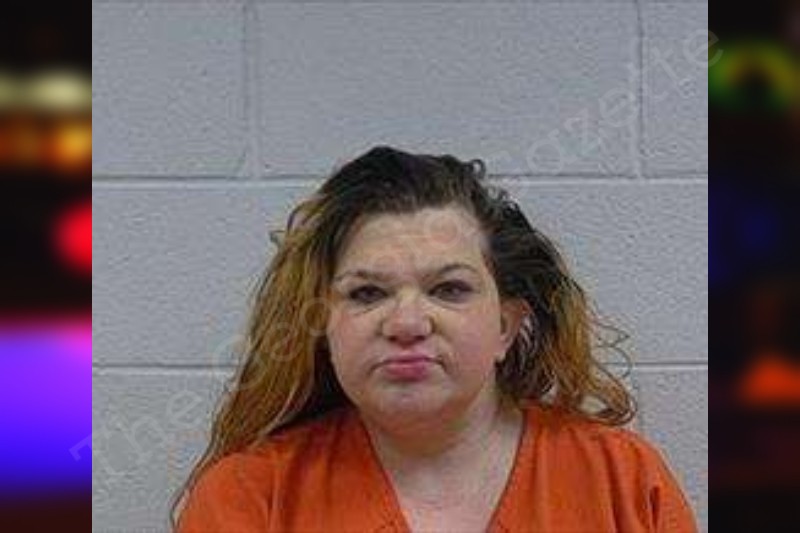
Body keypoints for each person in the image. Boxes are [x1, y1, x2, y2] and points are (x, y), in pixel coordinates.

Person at [174, 146, 697, 532]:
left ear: (505, 326)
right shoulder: (249, 498)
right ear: (324, 327)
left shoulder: (623, 481)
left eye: (449, 289)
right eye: (367, 293)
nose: (406, 323)